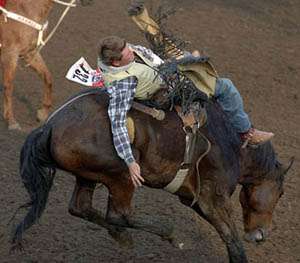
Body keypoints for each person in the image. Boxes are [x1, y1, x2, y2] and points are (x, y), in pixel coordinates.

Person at [97, 35, 274, 187]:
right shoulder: (122, 84)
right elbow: (117, 122)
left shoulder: (124, 53)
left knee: (190, 59)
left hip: (164, 72)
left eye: (128, 46)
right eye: (127, 52)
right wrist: (129, 161)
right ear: (116, 62)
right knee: (226, 87)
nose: (131, 50)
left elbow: (148, 55)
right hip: (165, 92)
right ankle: (246, 132)